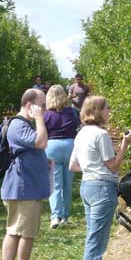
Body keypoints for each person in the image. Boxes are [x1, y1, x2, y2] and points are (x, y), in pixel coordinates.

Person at [70, 96, 131, 260]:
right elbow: (114, 166)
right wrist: (125, 143)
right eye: (107, 108)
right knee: (96, 243)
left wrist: (92, 167)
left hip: (87, 187)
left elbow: (73, 165)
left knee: (94, 238)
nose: (109, 111)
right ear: (97, 110)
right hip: (101, 189)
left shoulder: (81, 134)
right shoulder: (101, 135)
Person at [0, 89, 50, 260]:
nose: (44, 110)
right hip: (20, 188)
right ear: (30, 105)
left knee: (28, 233)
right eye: (42, 106)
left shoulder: (26, 124)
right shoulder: (18, 125)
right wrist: (39, 118)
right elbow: (41, 142)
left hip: (31, 188)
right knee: (15, 232)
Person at [44, 85, 80, 229]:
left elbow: (42, 133)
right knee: (67, 184)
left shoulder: (46, 115)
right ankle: (65, 216)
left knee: (55, 184)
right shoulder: (72, 111)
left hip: (52, 147)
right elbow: (79, 127)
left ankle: (55, 216)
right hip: (71, 146)